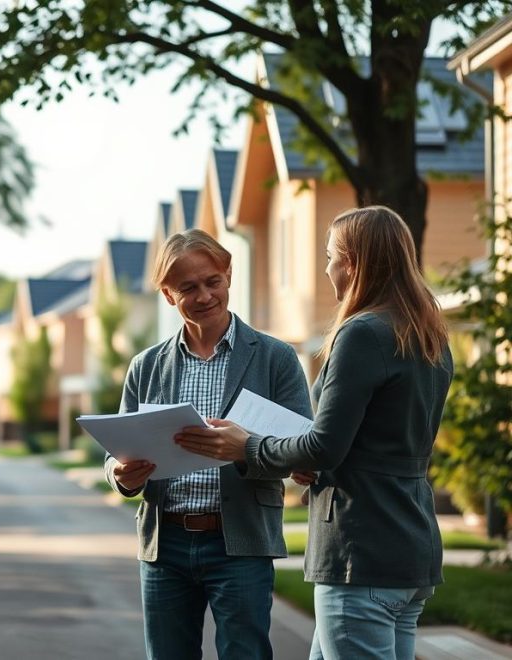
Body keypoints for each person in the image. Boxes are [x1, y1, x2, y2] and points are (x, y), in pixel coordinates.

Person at [178, 206, 453, 660]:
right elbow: (376, 439)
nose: (326, 269)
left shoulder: (363, 333)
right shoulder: (429, 334)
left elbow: (325, 445)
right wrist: (303, 457)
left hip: (359, 548)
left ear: (353, 263)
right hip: (410, 545)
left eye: (330, 257)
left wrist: (245, 444)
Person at [105, 228, 312, 660]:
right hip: (166, 543)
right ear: (167, 294)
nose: (203, 296)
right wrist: (120, 475)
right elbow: (115, 451)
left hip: (240, 541)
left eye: (212, 281)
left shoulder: (275, 358)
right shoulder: (146, 366)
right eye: (188, 288)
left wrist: (244, 448)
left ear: (228, 275)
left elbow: (303, 451)